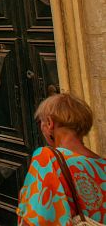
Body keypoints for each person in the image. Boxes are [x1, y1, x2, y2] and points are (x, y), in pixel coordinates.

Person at [17, 93, 105, 225]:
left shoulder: (47, 157)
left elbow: (35, 219)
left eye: (40, 122)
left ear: (49, 123)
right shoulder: (102, 165)